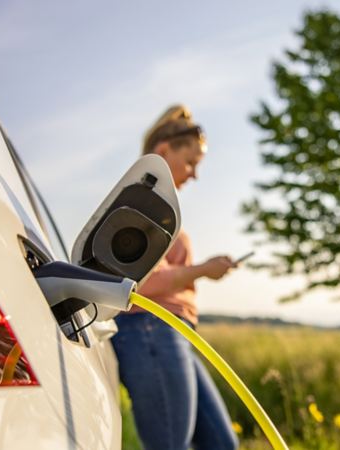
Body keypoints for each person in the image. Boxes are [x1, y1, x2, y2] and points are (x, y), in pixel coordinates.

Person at [111, 105, 239, 450]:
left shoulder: (157, 203)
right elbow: (140, 281)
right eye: (191, 162)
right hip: (150, 331)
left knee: (222, 445)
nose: (194, 175)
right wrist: (202, 271)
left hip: (172, 333)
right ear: (164, 151)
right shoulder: (140, 201)